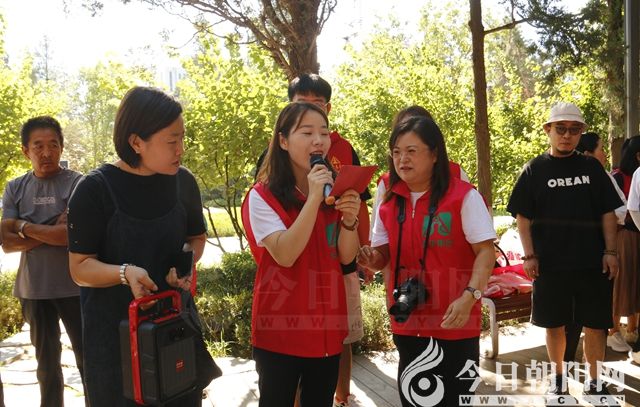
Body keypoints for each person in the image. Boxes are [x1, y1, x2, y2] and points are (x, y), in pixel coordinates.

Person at [67, 86, 216, 406]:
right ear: (136, 142)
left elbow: (196, 238)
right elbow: (79, 268)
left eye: (182, 138)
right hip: (115, 343)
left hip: (174, 331)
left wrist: (185, 262)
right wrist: (125, 273)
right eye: (172, 141)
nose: (181, 149)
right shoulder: (94, 190)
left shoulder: (183, 182)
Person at [358, 116, 496, 406]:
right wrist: (371, 258)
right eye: (396, 152)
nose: (402, 159)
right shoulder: (389, 201)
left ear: (434, 154)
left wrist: (470, 297)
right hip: (408, 320)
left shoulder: (463, 196)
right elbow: (382, 255)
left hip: (454, 321)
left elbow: (486, 252)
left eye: (411, 151)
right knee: (414, 400)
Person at [256, 73, 369, 407]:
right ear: (283, 141)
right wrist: (314, 197)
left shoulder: (334, 190)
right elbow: (286, 254)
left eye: (323, 132)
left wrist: (349, 221)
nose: (318, 140)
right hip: (282, 330)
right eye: (306, 133)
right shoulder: (262, 196)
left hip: (327, 329)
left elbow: (345, 257)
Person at [507, 102, 622, 404]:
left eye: (574, 129)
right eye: (561, 129)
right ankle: (558, 380)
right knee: (554, 324)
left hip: (592, 263)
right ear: (548, 130)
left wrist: (611, 251)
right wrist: (529, 256)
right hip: (550, 265)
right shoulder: (534, 169)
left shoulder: (592, 168)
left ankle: (595, 382)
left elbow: (608, 212)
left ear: (581, 131)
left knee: (596, 325)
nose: (567, 135)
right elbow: (523, 217)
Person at [0, 116, 85, 407]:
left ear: (62, 147)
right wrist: (52, 229)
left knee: (88, 360)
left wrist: (22, 226)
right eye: (38, 146)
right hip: (34, 290)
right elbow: (7, 243)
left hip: (76, 286)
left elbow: (72, 236)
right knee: (46, 366)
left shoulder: (78, 183)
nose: (46, 152)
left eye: (53, 145)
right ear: (26, 150)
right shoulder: (15, 187)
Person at [563, 132, 628, 360]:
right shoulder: (555, 174)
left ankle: (591, 370)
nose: (605, 154)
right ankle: (565, 363)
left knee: (593, 316)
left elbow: (620, 209)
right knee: (569, 315)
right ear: (588, 153)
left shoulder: (603, 176)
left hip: (597, 254)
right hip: (568, 256)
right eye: (601, 149)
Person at [609, 135, 640, 349]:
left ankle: (632, 330)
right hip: (624, 236)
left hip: (635, 234)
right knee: (622, 283)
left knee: (635, 284)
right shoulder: (618, 177)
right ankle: (613, 331)